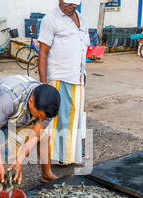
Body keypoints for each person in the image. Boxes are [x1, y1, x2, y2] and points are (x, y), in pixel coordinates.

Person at [38, 0, 99, 165]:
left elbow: (83, 46)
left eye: (74, 4)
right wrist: (43, 83)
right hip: (60, 76)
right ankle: (60, 157)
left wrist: (91, 54)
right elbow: (43, 52)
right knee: (60, 119)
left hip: (78, 75)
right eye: (67, 4)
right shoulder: (50, 19)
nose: (71, 7)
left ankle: (72, 153)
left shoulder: (82, 18)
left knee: (75, 117)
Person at [0, 75, 61, 189]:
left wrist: (19, 160)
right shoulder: (6, 100)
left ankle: (47, 174)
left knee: (44, 137)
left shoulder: (48, 106)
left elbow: (35, 135)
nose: (42, 120)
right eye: (40, 116)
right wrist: (0, 164)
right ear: (31, 101)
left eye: (44, 118)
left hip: (15, 109)